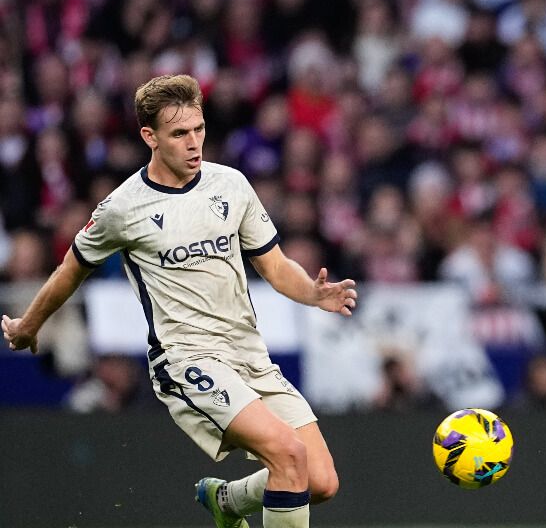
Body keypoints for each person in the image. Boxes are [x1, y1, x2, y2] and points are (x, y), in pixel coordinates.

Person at [2, 74, 359, 528]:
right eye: (179, 134)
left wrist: (312, 292)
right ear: (149, 137)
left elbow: (273, 265)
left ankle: (227, 501)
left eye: (199, 129)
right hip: (187, 358)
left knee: (321, 481)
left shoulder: (230, 185)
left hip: (249, 354)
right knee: (288, 454)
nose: (194, 144)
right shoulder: (121, 209)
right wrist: (29, 325)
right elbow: (70, 271)